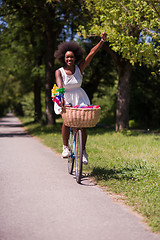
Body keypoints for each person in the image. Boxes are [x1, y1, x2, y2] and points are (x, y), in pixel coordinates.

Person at [54, 32, 107, 164]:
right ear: (63, 58)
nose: (69, 59)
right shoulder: (59, 71)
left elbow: (91, 54)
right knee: (66, 121)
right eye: (67, 57)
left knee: (82, 124)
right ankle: (65, 147)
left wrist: (102, 41)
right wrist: (63, 102)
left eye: (71, 57)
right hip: (64, 97)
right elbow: (60, 87)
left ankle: (83, 151)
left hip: (80, 97)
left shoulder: (79, 68)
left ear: (75, 57)